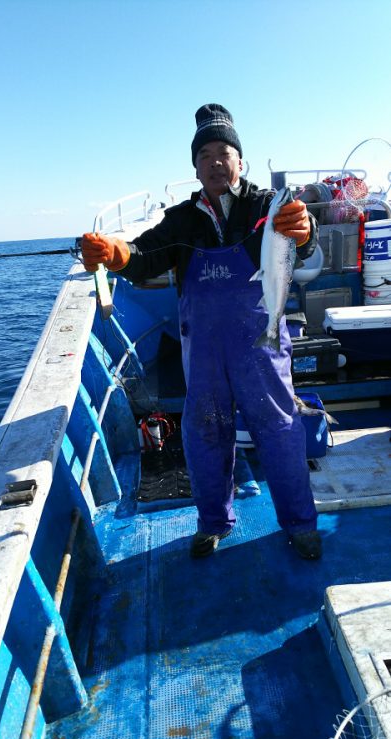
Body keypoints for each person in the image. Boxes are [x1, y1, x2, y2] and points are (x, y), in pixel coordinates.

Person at [81, 103, 322, 560]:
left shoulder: (261, 207)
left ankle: (301, 524)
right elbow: (145, 254)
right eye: (205, 154)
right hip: (205, 351)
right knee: (205, 434)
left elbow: (299, 249)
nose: (215, 161)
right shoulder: (182, 220)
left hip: (260, 346)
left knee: (280, 429)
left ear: (240, 161)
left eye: (224, 152)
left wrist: (303, 229)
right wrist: (116, 253)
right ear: (195, 167)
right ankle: (213, 522)